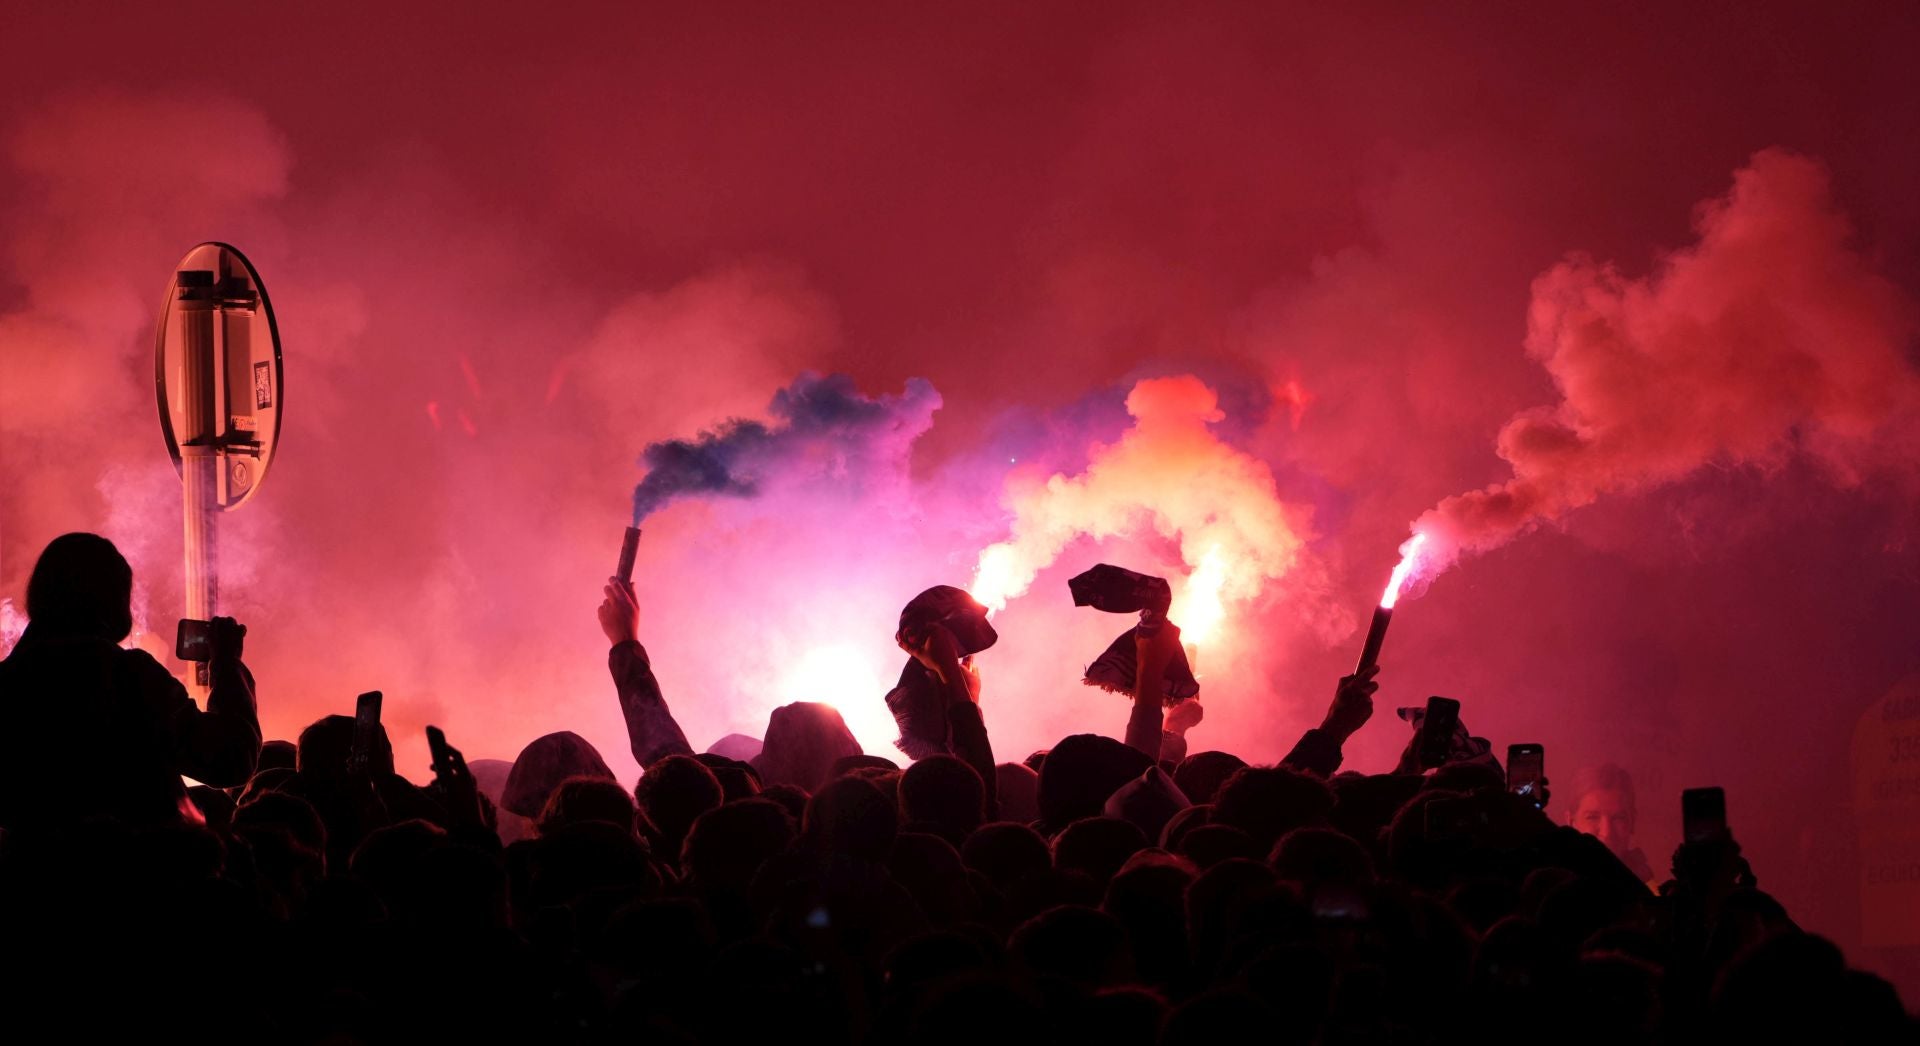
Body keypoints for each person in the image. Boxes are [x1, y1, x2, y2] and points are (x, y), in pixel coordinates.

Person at [0, 533, 260, 831]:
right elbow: (230, 758)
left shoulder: (9, 683)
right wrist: (227, 664)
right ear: (113, 600)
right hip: (131, 857)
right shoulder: (131, 677)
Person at [1567, 763, 1656, 883]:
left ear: (1632, 820)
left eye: (1618, 818)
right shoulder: (1553, 884)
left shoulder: (1647, 885)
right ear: (1571, 822)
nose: (1607, 832)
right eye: (1592, 817)